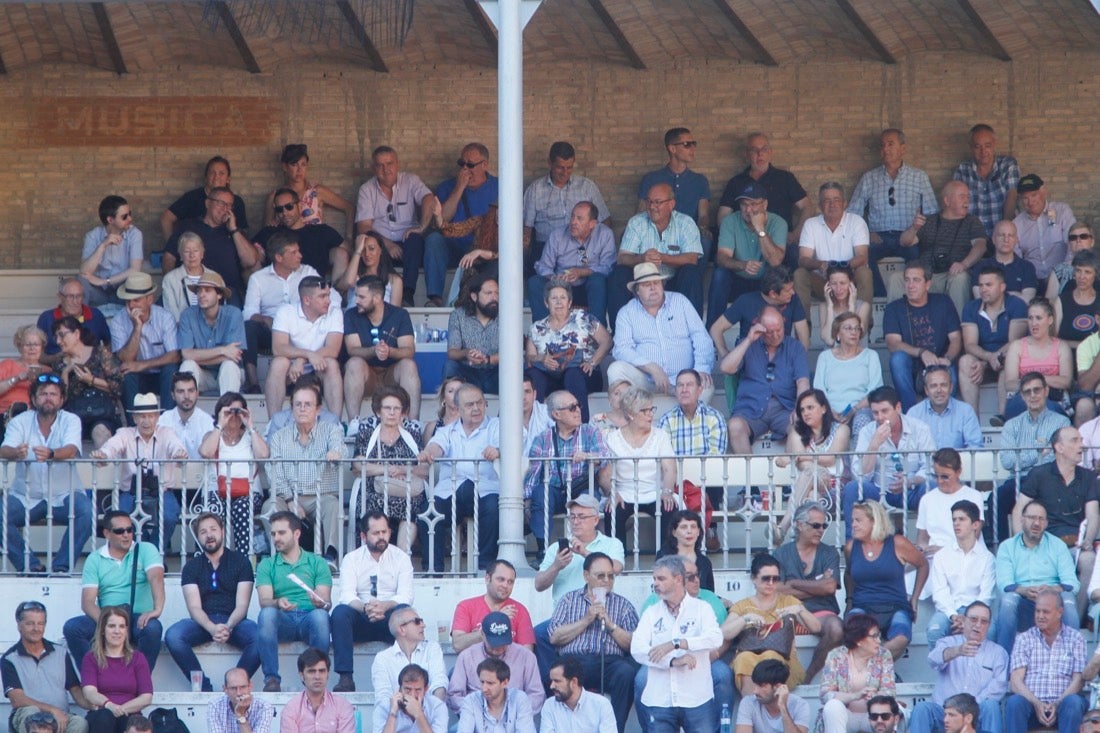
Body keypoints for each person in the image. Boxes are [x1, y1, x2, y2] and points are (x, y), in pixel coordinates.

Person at [0, 374, 90, 574]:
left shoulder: (71, 419)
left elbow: (71, 449)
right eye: (43, 394)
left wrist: (52, 454)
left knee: (86, 511)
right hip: (26, 496)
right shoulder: (20, 421)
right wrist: (15, 453)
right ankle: (30, 566)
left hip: (64, 494)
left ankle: (61, 566)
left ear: (61, 399)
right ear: (33, 399)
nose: (48, 398)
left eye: (53, 394)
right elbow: (4, 449)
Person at [165, 512, 258, 692]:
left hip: (234, 621)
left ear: (222, 531)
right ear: (198, 537)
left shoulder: (241, 562)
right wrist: (212, 628)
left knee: (260, 637)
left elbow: (242, 605)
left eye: (213, 529)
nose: (209, 535)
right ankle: (203, 686)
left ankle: (236, 685)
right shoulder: (191, 567)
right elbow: (194, 608)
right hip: (203, 622)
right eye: (203, 532)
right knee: (173, 636)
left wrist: (228, 626)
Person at [630, 556, 722, 733]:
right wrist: (672, 661)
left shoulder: (702, 608)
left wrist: (678, 643)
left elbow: (715, 639)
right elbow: (637, 649)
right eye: (654, 579)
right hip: (659, 699)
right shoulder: (651, 613)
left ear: (678, 579)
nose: (655, 583)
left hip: (697, 698)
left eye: (661, 579)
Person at [547, 552, 637, 733]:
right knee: (556, 675)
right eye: (600, 575)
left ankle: (615, 729)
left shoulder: (623, 605)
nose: (606, 581)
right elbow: (554, 637)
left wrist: (610, 624)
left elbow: (633, 645)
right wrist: (586, 620)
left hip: (610, 662)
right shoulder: (568, 600)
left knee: (626, 673)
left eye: (611, 576)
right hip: (574, 660)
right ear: (586, 576)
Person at [1014, 426, 1098, 616]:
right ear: (1059, 447)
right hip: (1043, 543)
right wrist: (1021, 542)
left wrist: (1088, 540)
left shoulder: (1088, 476)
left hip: (1074, 544)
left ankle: (1074, 617)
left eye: (1081, 440)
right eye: (1075, 440)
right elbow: (1019, 509)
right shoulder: (1039, 474)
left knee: (1089, 559)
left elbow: (1093, 515)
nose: (1082, 445)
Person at [417, 383, 501, 571]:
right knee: (428, 513)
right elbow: (435, 447)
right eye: (470, 405)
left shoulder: (496, 426)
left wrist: (497, 451)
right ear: (458, 409)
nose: (476, 408)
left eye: (480, 403)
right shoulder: (447, 431)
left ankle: (485, 567)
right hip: (450, 493)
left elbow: (506, 446)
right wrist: (429, 453)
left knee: (494, 508)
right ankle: (432, 570)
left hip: (485, 491)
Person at [264, 379, 348, 562]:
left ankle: (330, 557)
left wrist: (335, 452)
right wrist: (289, 499)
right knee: (270, 506)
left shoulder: (331, 430)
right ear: (292, 408)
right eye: (298, 404)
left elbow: (340, 449)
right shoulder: (279, 436)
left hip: (321, 494)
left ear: (318, 409)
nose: (302, 409)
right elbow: (273, 471)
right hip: (289, 495)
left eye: (308, 404)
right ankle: (280, 558)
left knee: (333, 505)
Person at [848, 128, 939, 296]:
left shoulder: (918, 177)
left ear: (903, 148)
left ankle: (911, 297)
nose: (886, 149)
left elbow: (932, 212)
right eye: (882, 145)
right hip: (879, 237)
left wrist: (916, 233)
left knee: (917, 257)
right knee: (863, 256)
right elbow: (853, 213)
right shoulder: (869, 178)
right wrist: (867, 233)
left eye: (891, 144)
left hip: (908, 236)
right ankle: (881, 297)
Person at [330, 512, 415, 692]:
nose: (381, 537)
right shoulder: (351, 559)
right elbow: (346, 594)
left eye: (384, 532)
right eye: (376, 533)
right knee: (340, 613)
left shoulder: (401, 558)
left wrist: (384, 606)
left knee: (405, 612)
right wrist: (366, 607)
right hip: (362, 616)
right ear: (363, 536)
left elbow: (406, 595)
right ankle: (346, 678)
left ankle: (405, 677)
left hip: (389, 618)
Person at [90, 393, 187, 549]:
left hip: (162, 491)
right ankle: (144, 550)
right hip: (131, 492)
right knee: (121, 517)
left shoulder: (167, 432)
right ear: (134, 418)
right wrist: (103, 454)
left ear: (157, 417)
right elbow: (112, 447)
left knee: (169, 516)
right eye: (141, 416)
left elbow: (175, 446)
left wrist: (179, 453)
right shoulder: (124, 433)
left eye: (150, 416)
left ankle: (154, 551)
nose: (146, 421)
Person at [609, 263, 714, 406]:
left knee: (706, 387)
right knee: (616, 370)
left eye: (656, 282)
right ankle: (631, 424)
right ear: (637, 290)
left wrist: (699, 370)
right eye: (646, 284)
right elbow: (621, 349)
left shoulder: (680, 302)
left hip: (682, 380)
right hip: (647, 379)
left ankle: (688, 426)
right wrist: (652, 368)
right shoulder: (626, 312)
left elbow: (701, 337)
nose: (653, 287)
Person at [523, 390, 610, 557]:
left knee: (587, 499)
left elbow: (605, 457)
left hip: (581, 487)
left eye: (578, 406)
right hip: (555, 491)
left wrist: (589, 456)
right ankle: (543, 550)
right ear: (556, 414)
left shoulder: (590, 431)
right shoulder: (542, 438)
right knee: (540, 493)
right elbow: (533, 474)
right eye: (571, 408)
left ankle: (586, 550)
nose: (578, 410)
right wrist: (527, 500)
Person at [254, 511, 333, 693]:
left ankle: (317, 678)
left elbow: (326, 602)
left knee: (321, 616)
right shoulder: (267, 565)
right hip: (284, 619)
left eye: (282, 533)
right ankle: (272, 679)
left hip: (310, 618)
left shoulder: (317, 562)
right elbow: (264, 600)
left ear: (296, 534)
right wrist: (277, 602)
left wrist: (319, 602)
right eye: (273, 534)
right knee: (266, 614)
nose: (276, 538)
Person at [840, 386, 935, 536]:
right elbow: (860, 476)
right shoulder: (868, 431)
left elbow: (930, 467)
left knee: (932, 486)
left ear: (898, 407)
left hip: (911, 490)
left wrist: (910, 481)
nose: (880, 417)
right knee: (852, 488)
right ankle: (853, 547)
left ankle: (927, 543)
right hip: (879, 491)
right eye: (875, 413)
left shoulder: (920, 428)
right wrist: (874, 445)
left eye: (885, 411)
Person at [723, 552, 820, 695]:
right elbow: (724, 633)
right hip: (749, 658)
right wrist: (745, 619)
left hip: (782, 660)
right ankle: (751, 710)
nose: (771, 583)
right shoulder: (743, 606)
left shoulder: (789, 601)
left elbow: (816, 627)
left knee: (771, 657)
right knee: (744, 658)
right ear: (754, 579)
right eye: (766, 578)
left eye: (775, 579)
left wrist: (799, 610)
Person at [607, 182, 704, 323]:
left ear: (671, 204)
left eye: (657, 202)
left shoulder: (686, 223)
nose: (652, 207)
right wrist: (641, 258)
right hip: (642, 283)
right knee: (619, 273)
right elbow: (622, 258)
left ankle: (694, 330)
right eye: (649, 201)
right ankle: (619, 334)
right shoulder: (637, 223)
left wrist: (662, 257)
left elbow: (692, 259)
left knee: (691, 273)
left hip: (674, 281)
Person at [241, 232, 324, 393]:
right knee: (248, 326)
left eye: (298, 251)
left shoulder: (308, 272)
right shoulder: (258, 278)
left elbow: (329, 297)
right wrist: (264, 319)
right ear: (279, 257)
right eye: (293, 252)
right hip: (271, 330)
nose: (300, 255)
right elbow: (248, 312)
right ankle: (253, 383)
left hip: (302, 330)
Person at [354, 145, 437, 307]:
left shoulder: (410, 180)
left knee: (415, 239)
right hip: (382, 245)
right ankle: (375, 297)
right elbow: (363, 227)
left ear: (397, 164)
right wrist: (387, 244)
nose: (386, 169)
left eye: (390, 164)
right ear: (373, 168)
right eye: (380, 165)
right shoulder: (366, 189)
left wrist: (421, 227)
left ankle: (407, 294)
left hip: (409, 245)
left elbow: (429, 198)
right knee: (370, 245)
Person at [844, 501, 928, 660]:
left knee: (902, 637)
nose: (853, 525)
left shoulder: (897, 543)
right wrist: (849, 600)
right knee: (853, 635)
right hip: (862, 606)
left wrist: (915, 598)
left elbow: (923, 564)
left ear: (875, 521)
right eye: (852, 520)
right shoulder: (850, 547)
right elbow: (848, 574)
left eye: (858, 520)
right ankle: (878, 672)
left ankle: (871, 670)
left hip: (895, 606)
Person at [992, 373, 1070, 541]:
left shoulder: (1062, 423)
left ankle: (1055, 547)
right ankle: (1004, 549)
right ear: (1022, 396)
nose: (1032, 395)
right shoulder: (1011, 425)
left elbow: (1059, 458)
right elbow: (1007, 461)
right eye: (1027, 392)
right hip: (1019, 481)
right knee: (996, 498)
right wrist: (1038, 452)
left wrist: (1024, 457)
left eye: (1037, 390)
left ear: (1046, 391)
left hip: (1050, 481)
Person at [722, 306, 810, 454]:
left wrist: (799, 409)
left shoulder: (795, 347)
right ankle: (748, 475)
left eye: (779, 329)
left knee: (799, 426)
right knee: (735, 426)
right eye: (770, 332)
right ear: (759, 326)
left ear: (784, 322)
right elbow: (726, 368)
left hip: (785, 409)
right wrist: (749, 339)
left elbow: (803, 382)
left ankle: (788, 472)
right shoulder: (748, 344)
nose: (776, 335)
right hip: (750, 409)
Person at [910, 601, 1008, 733]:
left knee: (991, 705)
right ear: (963, 620)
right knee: (922, 708)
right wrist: (957, 651)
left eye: (984, 621)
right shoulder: (947, 642)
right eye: (973, 619)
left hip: (976, 714)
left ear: (989, 626)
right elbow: (933, 660)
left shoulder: (998, 652)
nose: (978, 625)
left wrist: (968, 707)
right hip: (944, 713)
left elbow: (999, 687)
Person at [994, 501, 1079, 652]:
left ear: (1046, 523)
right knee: (1008, 600)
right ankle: (1003, 663)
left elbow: (1072, 584)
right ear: (1022, 519)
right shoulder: (1007, 547)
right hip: (1023, 602)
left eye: (1041, 519)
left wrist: (1052, 590)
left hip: (1052, 603)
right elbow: (1004, 584)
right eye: (1032, 517)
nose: (1036, 523)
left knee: (1069, 600)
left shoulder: (1058, 545)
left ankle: (1073, 662)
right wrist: (1024, 590)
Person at [774, 502, 845, 681]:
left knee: (837, 629)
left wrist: (794, 583)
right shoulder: (781, 554)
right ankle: (783, 678)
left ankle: (808, 677)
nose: (821, 530)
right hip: (790, 612)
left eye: (823, 526)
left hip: (822, 612)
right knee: (777, 628)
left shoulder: (829, 553)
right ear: (799, 524)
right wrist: (817, 585)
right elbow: (778, 591)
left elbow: (829, 587)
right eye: (816, 525)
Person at [717, 132, 811, 266]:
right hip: (744, 242)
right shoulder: (736, 182)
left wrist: (796, 234)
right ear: (746, 154)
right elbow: (723, 215)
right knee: (721, 267)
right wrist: (730, 237)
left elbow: (807, 206)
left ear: (770, 152)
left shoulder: (785, 178)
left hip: (779, 240)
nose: (760, 154)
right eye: (754, 150)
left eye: (764, 149)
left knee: (795, 255)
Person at [893, 180, 987, 314]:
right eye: (962, 196)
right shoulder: (929, 221)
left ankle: (959, 330)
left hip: (953, 274)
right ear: (947, 201)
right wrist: (914, 228)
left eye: (968, 196)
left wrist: (964, 264)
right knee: (896, 279)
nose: (967, 201)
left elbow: (981, 246)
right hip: (927, 275)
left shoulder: (972, 222)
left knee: (960, 278)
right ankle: (896, 329)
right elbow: (904, 242)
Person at [599, 387, 677, 546]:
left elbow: (670, 469)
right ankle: (617, 562)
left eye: (651, 409)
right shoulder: (612, 438)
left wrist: (667, 491)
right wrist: (612, 493)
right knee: (611, 511)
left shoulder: (660, 435)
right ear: (630, 415)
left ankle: (666, 561)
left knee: (669, 509)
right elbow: (604, 475)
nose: (650, 414)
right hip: (623, 493)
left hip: (654, 492)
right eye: (644, 411)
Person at [524, 281, 611, 423]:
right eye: (554, 298)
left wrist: (592, 362)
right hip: (551, 376)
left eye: (563, 298)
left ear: (569, 302)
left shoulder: (583, 318)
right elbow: (530, 356)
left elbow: (606, 341)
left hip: (583, 374)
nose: (559, 302)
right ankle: (532, 425)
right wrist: (542, 358)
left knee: (573, 374)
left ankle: (580, 427)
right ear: (546, 303)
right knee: (534, 376)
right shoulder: (537, 327)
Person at [1003, 589, 1088, 733]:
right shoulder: (1024, 638)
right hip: (1031, 704)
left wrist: (1057, 703)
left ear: (1060, 612)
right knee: (1014, 703)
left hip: (1063, 706)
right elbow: (1016, 680)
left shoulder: (1076, 639)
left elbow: (1078, 680)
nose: (1040, 616)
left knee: (1073, 702)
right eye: (1037, 611)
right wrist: (1037, 704)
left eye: (1046, 612)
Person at [707, 180, 789, 326]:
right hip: (738, 277)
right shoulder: (730, 221)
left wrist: (760, 228)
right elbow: (722, 257)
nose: (748, 210)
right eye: (744, 204)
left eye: (753, 204)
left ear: (764, 204)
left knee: (778, 273)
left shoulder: (778, 223)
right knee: (720, 274)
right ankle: (711, 331)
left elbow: (775, 261)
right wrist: (742, 265)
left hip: (765, 281)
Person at [351, 385, 425, 547]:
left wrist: (402, 470)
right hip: (374, 489)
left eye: (396, 408)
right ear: (378, 411)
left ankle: (401, 558)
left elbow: (423, 468)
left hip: (405, 489)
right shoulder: (367, 433)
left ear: (403, 412)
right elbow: (357, 464)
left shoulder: (412, 435)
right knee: (370, 502)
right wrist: (387, 470)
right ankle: (373, 556)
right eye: (387, 408)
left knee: (413, 506)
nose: (392, 412)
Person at [773, 391, 850, 545]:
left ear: (823, 408)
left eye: (810, 407)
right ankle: (811, 547)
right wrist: (800, 459)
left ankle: (784, 526)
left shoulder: (841, 429)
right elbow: (802, 465)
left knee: (810, 474)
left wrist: (796, 456)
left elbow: (830, 459)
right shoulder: (797, 431)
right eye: (802, 410)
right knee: (812, 496)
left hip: (836, 488)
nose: (805, 413)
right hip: (810, 486)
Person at [884, 262, 963, 410]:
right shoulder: (894, 308)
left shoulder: (943, 303)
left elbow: (956, 339)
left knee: (950, 367)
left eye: (916, 280)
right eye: (907, 280)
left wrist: (947, 359)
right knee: (897, 359)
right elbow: (892, 343)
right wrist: (921, 352)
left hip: (939, 362)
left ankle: (946, 414)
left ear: (928, 284)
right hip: (911, 368)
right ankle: (911, 413)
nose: (910, 285)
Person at [2, 601, 90, 733]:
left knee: (79, 723)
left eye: (40, 623)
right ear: (19, 625)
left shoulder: (61, 652)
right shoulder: (10, 658)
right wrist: (51, 710)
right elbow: (18, 700)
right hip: (30, 716)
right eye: (30, 623)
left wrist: (97, 705)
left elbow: (76, 690)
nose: (36, 628)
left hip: (59, 717)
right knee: (31, 712)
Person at [162, 186, 260, 302]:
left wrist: (233, 229)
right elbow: (169, 258)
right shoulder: (187, 226)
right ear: (207, 203)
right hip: (192, 289)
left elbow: (251, 261)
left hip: (226, 292)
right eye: (220, 203)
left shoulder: (235, 233)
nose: (225, 208)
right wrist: (174, 286)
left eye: (229, 205)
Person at [343, 275, 420, 422]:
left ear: (377, 298)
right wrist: (374, 350)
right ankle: (354, 424)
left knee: (409, 365)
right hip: (367, 377)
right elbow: (352, 349)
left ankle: (413, 424)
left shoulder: (400, 314)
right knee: (354, 363)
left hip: (391, 375)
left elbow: (409, 350)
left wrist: (389, 351)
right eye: (356, 295)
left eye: (361, 297)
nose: (356, 301)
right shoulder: (351, 315)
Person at [198, 392, 268, 552]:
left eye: (239, 412)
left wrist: (250, 425)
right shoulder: (212, 435)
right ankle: (212, 557)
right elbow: (206, 452)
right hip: (216, 492)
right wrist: (220, 424)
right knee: (213, 513)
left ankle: (242, 560)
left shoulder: (251, 437)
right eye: (229, 412)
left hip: (248, 493)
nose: (234, 416)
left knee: (242, 508)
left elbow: (263, 455)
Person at [525, 141, 610, 272]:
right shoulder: (536, 190)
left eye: (569, 167)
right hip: (547, 247)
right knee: (541, 279)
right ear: (550, 163)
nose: (565, 172)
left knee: (586, 275)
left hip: (581, 246)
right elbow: (526, 229)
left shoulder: (586, 187)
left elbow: (605, 221)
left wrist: (596, 245)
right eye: (560, 167)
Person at [264, 275, 343, 416]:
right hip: (291, 371)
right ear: (307, 300)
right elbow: (278, 348)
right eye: (322, 296)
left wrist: (302, 359)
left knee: (331, 363)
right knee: (278, 362)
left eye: (328, 295)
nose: (328, 301)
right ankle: (273, 423)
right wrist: (308, 354)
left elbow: (333, 349)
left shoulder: (334, 312)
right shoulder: (286, 311)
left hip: (318, 367)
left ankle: (336, 424)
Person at [958, 265, 1029, 421]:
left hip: (1006, 359)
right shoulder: (971, 307)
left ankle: (1002, 417)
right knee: (965, 361)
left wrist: (992, 359)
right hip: (984, 360)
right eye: (981, 285)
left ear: (1002, 287)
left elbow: (1014, 342)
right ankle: (972, 421)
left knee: (1009, 362)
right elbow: (969, 344)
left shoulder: (1017, 305)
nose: (983, 289)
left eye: (989, 285)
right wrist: (987, 358)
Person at [528, 201, 616, 325]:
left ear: (592, 224)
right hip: (562, 288)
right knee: (535, 282)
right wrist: (554, 278)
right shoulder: (558, 235)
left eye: (579, 219)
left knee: (597, 280)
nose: (573, 222)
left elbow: (609, 267)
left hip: (588, 288)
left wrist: (582, 272)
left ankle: (597, 331)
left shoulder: (605, 234)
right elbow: (543, 266)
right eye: (572, 217)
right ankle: (542, 331)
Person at [926, 501, 996, 645]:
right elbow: (940, 592)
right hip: (949, 611)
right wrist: (953, 616)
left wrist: (969, 618)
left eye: (962, 519)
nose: (956, 523)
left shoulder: (987, 558)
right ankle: (944, 668)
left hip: (977, 611)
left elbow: (985, 596)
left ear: (975, 524)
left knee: (991, 630)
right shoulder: (942, 556)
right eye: (954, 519)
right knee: (934, 630)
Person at [795, 181, 873, 309]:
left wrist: (841, 269)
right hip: (823, 282)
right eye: (827, 200)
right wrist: (820, 264)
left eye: (837, 200)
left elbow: (862, 257)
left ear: (844, 203)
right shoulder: (811, 224)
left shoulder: (856, 222)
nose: (832, 205)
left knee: (864, 272)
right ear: (820, 205)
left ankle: (864, 325)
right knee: (800, 274)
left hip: (849, 281)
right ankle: (803, 325)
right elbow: (803, 259)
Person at [110, 273, 180, 416]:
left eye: (136, 300)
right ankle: (132, 427)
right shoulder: (118, 320)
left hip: (161, 374)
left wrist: (142, 365)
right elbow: (125, 359)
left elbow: (174, 356)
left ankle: (168, 423)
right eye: (128, 301)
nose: (131, 305)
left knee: (171, 370)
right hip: (137, 376)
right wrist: (137, 327)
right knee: (127, 375)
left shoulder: (165, 317)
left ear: (150, 299)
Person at [448, 612, 544, 716]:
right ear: (482, 635)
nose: (498, 648)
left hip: (516, 717)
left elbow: (536, 695)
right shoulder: (467, 657)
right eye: (493, 643)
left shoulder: (526, 657)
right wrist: (478, 711)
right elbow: (454, 696)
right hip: (476, 717)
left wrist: (515, 712)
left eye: (503, 642)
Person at [637, 128, 711, 261]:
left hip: (688, 234)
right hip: (656, 233)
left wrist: (702, 227)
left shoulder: (700, 180)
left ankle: (695, 280)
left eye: (694, 144)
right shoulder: (651, 179)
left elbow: (703, 215)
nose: (692, 148)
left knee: (705, 240)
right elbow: (641, 212)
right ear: (672, 149)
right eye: (687, 144)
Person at [710, 265, 811, 358]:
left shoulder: (793, 299)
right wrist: (725, 354)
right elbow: (716, 329)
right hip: (751, 356)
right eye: (788, 290)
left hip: (781, 356)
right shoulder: (746, 301)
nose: (793, 292)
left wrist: (799, 359)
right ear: (773, 294)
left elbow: (803, 333)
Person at [78, 608, 153, 733]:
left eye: (122, 626)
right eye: (112, 626)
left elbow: (146, 697)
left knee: (128, 722)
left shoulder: (138, 658)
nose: (117, 631)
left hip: (129, 714)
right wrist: (109, 705)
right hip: (101, 715)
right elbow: (89, 692)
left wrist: (120, 709)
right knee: (105, 717)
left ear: (126, 631)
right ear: (102, 629)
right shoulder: (91, 658)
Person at [818, 615, 896, 733]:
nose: (879, 641)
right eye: (874, 636)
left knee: (895, 711)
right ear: (859, 640)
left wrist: (874, 696)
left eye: (878, 635)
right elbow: (826, 694)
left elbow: (890, 691)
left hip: (873, 718)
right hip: (846, 718)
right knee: (832, 706)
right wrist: (855, 696)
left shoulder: (884, 654)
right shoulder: (836, 655)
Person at [52, 317, 120, 449]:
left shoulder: (100, 353)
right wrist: (65, 373)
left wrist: (91, 380)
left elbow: (118, 388)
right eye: (56, 337)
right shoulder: (59, 362)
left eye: (62, 335)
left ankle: (104, 468)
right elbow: (60, 399)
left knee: (101, 431)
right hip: (72, 415)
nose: (58, 341)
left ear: (77, 334)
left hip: (102, 414)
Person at [254, 187, 348, 282]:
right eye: (279, 209)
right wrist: (257, 251)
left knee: (341, 253)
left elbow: (348, 250)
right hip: (280, 291)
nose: (284, 213)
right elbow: (248, 257)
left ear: (299, 205)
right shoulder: (270, 232)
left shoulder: (321, 231)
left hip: (314, 291)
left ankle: (336, 295)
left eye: (289, 207)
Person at [813, 310, 880, 438]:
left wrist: (854, 409)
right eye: (848, 328)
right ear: (837, 333)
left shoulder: (871, 356)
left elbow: (875, 391)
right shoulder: (825, 357)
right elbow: (819, 390)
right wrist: (830, 411)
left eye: (857, 328)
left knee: (862, 420)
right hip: (829, 410)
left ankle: (859, 458)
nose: (854, 332)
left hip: (861, 409)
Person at [177, 272, 245, 395]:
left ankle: (227, 411)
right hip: (202, 374)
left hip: (230, 373)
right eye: (199, 291)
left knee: (229, 366)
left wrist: (198, 357)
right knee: (188, 365)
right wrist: (222, 350)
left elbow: (234, 356)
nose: (201, 295)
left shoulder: (233, 314)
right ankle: (187, 413)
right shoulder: (187, 315)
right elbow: (186, 354)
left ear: (219, 295)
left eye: (207, 290)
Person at [264, 144, 355, 232]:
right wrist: (273, 225)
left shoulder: (316, 192)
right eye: (294, 165)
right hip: (288, 245)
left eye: (303, 164)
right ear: (285, 167)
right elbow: (267, 230)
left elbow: (349, 208)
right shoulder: (275, 196)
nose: (299, 170)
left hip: (315, 244)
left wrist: (349, 237)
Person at [915, 449, 987, 561]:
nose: (939, 481)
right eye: (936, 476)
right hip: (933, 559)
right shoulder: (926, 499)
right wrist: (921, 550)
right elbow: (922, 539)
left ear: (958, 472)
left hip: (967, 557)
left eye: (944, 476)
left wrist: (944, 551)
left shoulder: (974, 496)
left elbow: (973, 538)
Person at [952, 123, 1020, 240]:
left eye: (987, 146)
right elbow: (956, 205)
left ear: (994, 144)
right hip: (971, 238)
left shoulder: (1007, 165)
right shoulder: (963, 170)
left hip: (1000, 237)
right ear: (971, 147)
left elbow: (1012, 197)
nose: (983, 151)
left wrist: (1004, 233)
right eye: (977, 146)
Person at [161, 156, 249, 244]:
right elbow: (166, 218)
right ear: (206, 177)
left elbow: (243, 234)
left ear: (228, 179)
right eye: (212, 172)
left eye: (221, 173)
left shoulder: (237, 202)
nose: (216, 177)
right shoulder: (192, 197)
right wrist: (173, 248)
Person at [452, 561, 536, 653]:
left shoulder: (520, 610)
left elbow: (527, 654)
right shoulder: (466, 607)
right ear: (487, 579)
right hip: (473, 666)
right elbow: (457, 645)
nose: (505, 585)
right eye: (501, 579)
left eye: (510, 582)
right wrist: (494, 623)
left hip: (509, 666)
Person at [372, 605, 448, 704]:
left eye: (422, 621)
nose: (423, 625)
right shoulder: (382, 658)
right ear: (402, 629)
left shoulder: (432, 648)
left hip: (430, 713)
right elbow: (383, 697)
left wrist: (432, 713)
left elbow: (440, 683)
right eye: (417, 621)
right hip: (397, 715)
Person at [79, 196, 143, 307]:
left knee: (137, 281)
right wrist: (103, 245)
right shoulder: (92, 236)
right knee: (81, 280)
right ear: (110, 220)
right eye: (124, 217)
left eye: (130, 214)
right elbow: (84, 272)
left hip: (124, 291)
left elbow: (135, 269)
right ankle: (79, 322)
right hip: (99, 292)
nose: (130, 219)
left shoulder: (134, 234)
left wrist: (106, 281)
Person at [1013, 174, 1076, 282]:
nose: (1030, 201)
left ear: (1044, 192)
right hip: (1032, 280)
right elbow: (1016, 258)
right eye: (1025, 198)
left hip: (1062, 278)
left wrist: (1062, 273)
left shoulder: (1062, 211)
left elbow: (1073, 244)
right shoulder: (1017, 223)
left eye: (1034, 195)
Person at [445, 274, 500, 395]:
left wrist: (487, 359)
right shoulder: (458, 316)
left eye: (497, 293)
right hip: (469, 374)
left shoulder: (505, 315)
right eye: (488, 293)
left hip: (496, 374)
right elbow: (452, 352)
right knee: (450, 366)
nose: (494, 297)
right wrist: (466, 353)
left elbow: (512, 354)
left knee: (516, 367)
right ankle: (451, 412)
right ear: (474, 297)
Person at [279, 648, 355, 733]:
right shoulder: (291, 709)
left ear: (328, 674)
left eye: (322, 671)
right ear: (301, 675)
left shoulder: (342, 706)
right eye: (311, 671)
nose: (317, 677)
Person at [907, 366, 983, 450]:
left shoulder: (966, 411)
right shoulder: (914, 414)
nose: (939, 390)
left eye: (943, 385)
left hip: (959, 462)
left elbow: (975, 448)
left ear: (951, 388)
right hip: (925, 463)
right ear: (926, 390)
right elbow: (909, 450)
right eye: (933, 386)